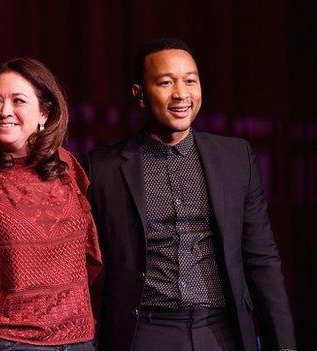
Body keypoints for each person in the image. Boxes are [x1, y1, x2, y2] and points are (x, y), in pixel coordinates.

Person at [83, 38, 297, 351]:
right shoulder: (102, 168)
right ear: (139, 95)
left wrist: (284, 345)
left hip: (221, 329)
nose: (181, 94)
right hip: (144, 331)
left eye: (190, 81)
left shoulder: (235, 158)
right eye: (166, 82)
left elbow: (261, 258)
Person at [0, 57, 102, 351]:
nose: (5, 111)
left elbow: (88, 252)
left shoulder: (67, 165)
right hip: (7, 341)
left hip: (80, 339)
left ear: (45, 112)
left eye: (18, 100)